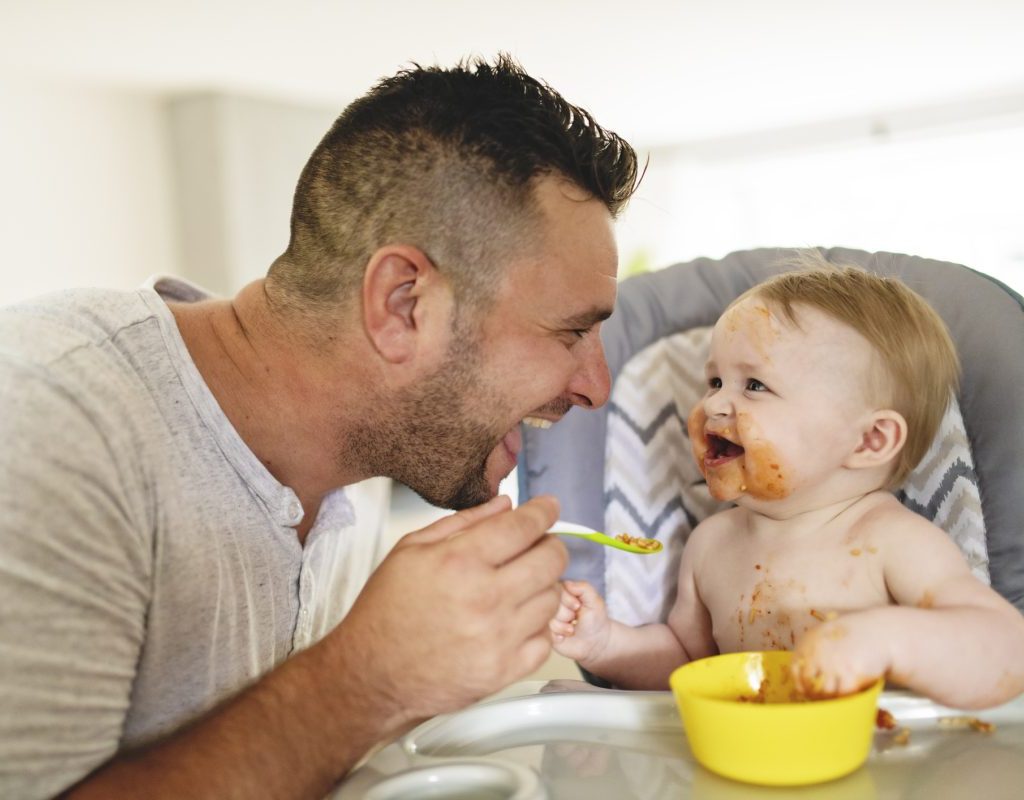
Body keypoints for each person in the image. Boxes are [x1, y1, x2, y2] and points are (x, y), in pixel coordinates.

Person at [0, 55, 639, 799]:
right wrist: (366, 678)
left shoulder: (357, 466)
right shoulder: (47, 421)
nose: (597, 387)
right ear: (403, 304)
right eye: (570, 333)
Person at [551, 259, 1024, 708]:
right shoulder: (711, 544)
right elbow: (688, 664)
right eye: (715, 381)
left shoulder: (893, 542)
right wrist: (607, 644)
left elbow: (1007, 648)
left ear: (870, 440)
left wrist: (886, 641)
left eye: (754, 386)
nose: (714, 405)